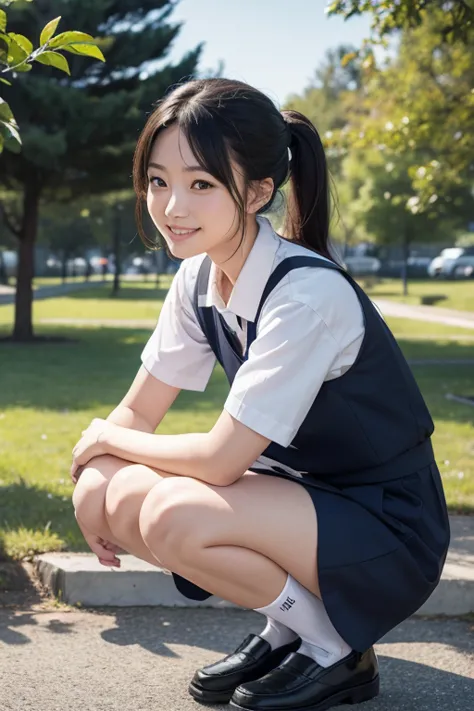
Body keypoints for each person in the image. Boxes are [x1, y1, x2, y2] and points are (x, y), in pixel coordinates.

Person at [71, 78, 451, 711]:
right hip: (302, 500)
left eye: (200, 184)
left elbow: (221, 459)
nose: (170, 206)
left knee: (170, 510)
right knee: (124, 494)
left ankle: (334, 646)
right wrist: (95, 482)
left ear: (256, 192)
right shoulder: (197, 278)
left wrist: (106, 441)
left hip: (385, 523)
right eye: (158, 180)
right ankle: (289, 630)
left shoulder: (305, 294)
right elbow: (140, 409)